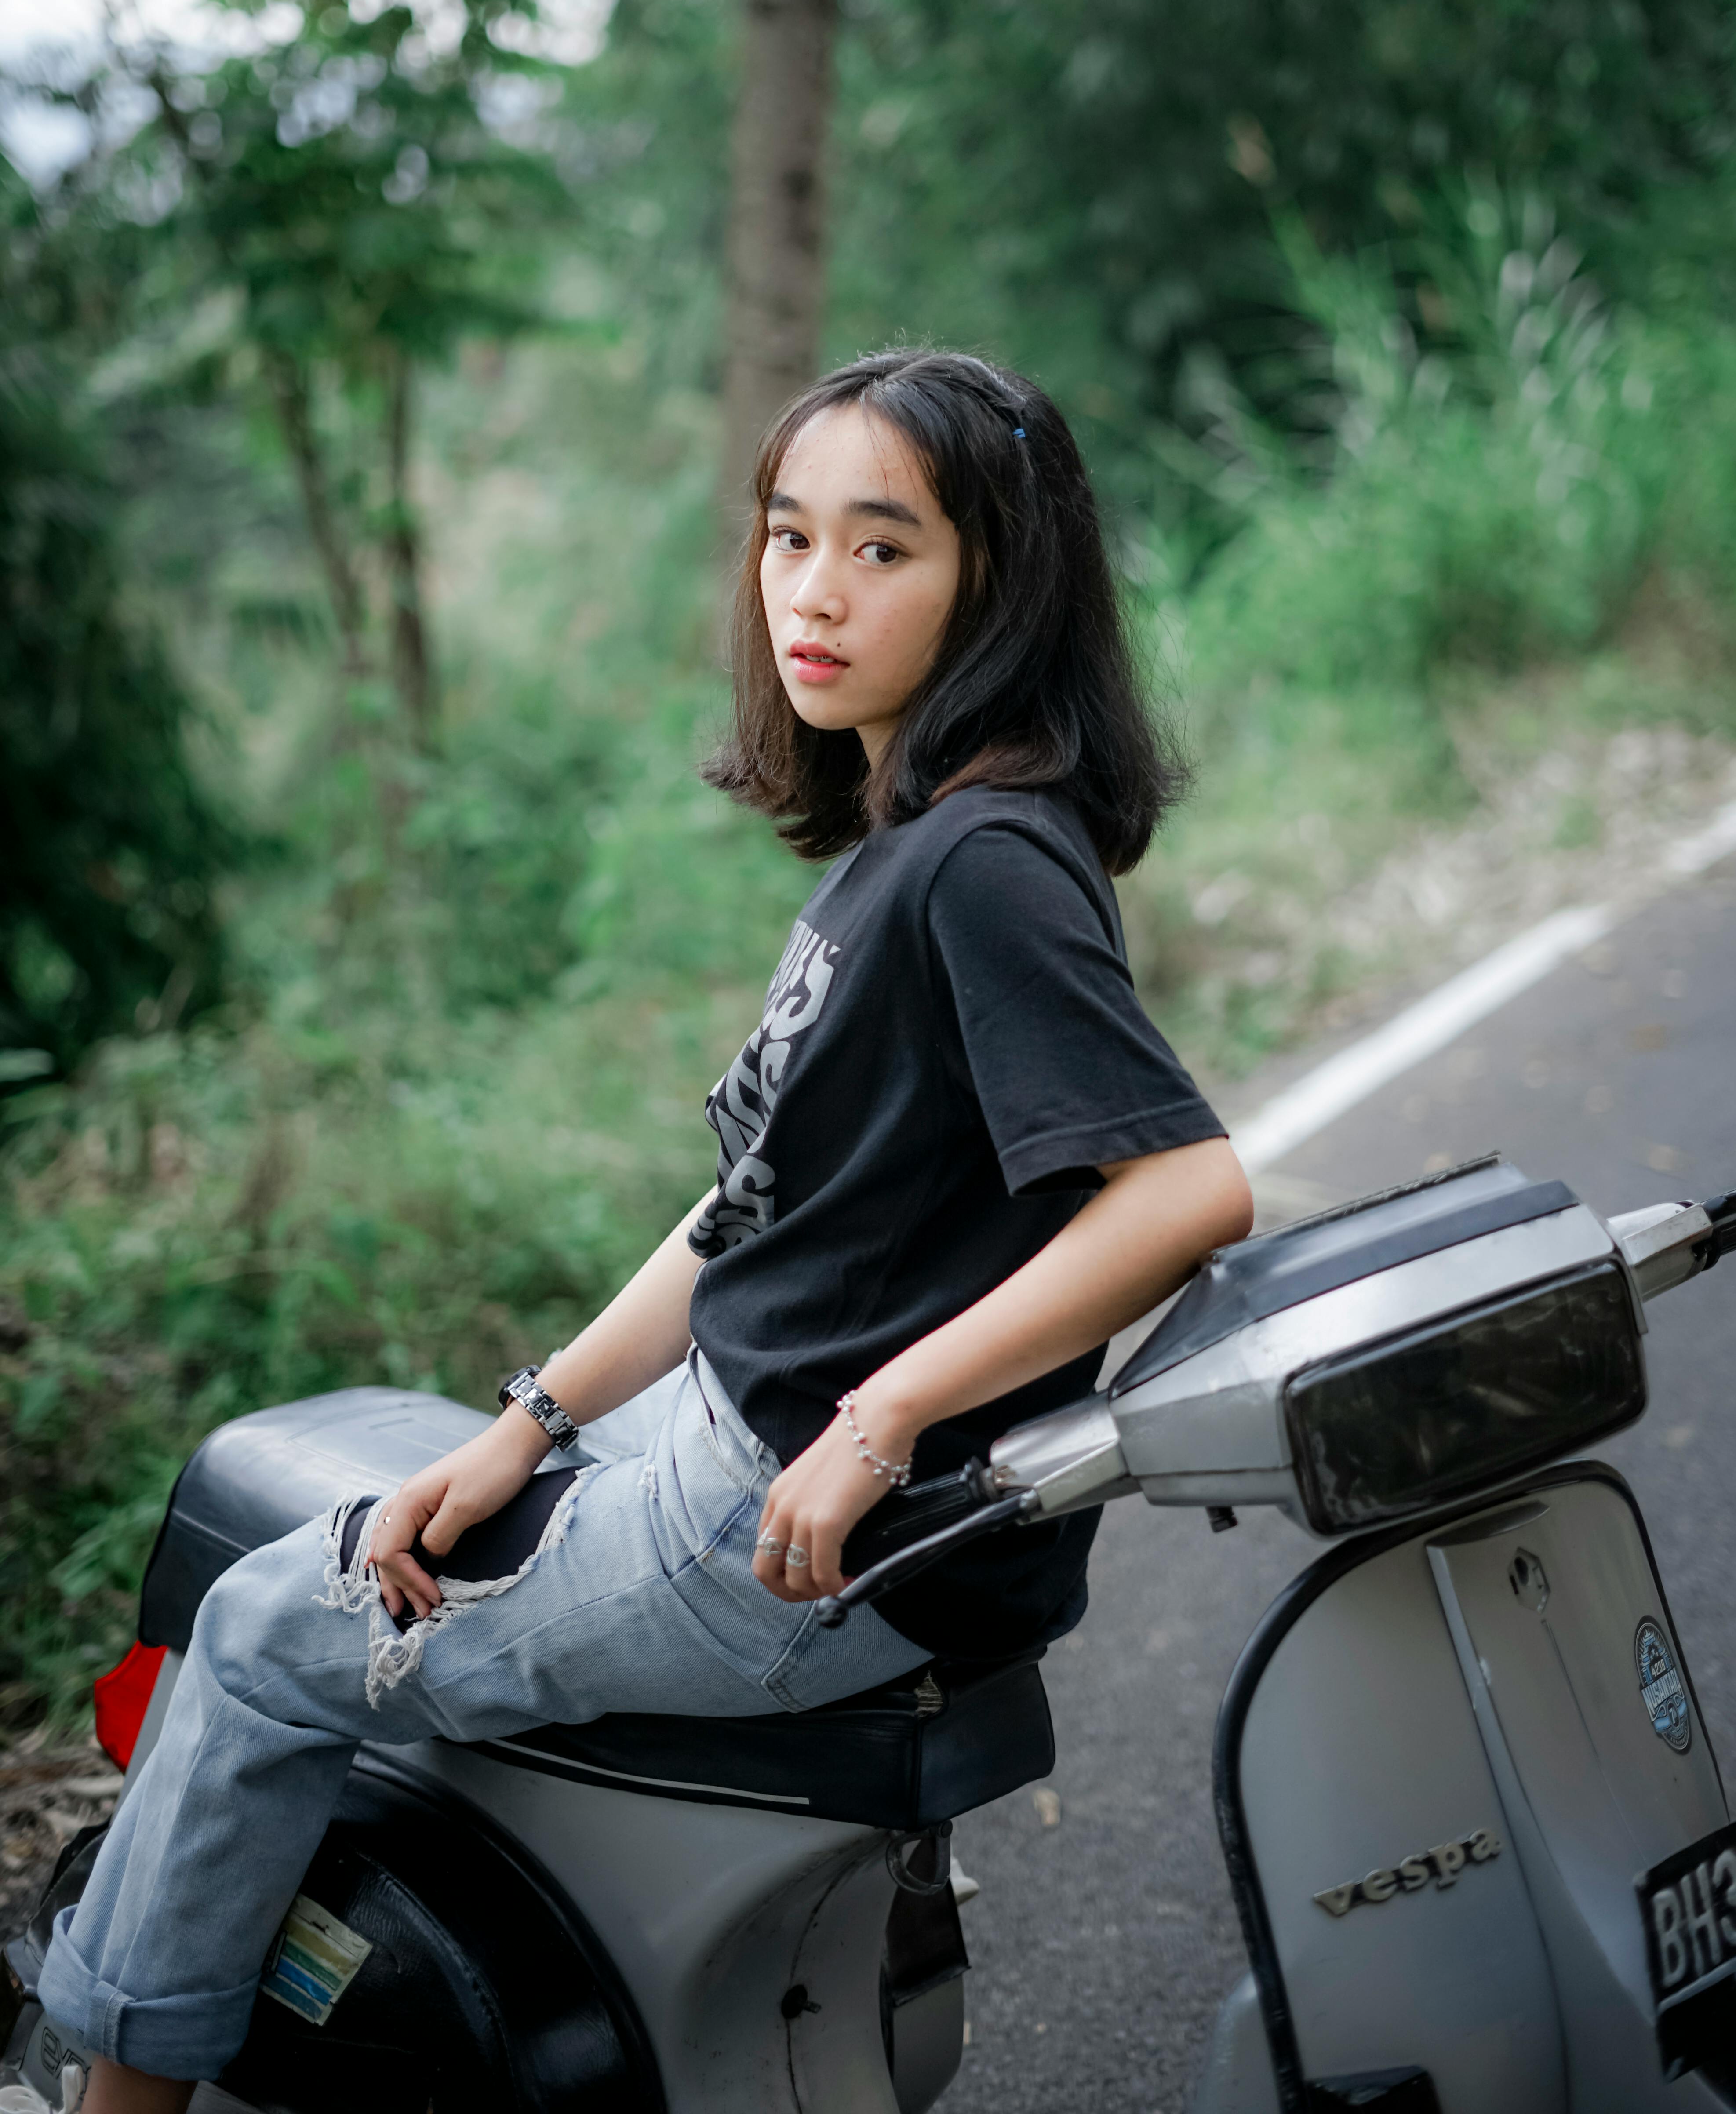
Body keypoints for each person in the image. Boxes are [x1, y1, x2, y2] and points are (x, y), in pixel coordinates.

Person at [43, 349, 1252, 2113]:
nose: (812, 595)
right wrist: (527, 1422)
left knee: (252, 1634)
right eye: (788, 537)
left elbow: (1185, 1188)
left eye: (883, 549)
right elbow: (748, 1209)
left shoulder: (983, 860)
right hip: (730, 1455)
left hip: (771, 1524)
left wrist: (875, 1422)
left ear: (1000, 575)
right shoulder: (914, 836)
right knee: (375, 1543)